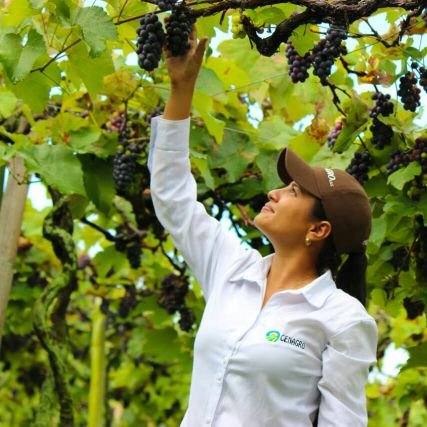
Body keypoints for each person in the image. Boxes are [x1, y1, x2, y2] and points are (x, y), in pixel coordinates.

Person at [148, 29, 378, 427]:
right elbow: (173, 197)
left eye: (292, 191)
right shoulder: (232, 270)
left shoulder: (343, 320)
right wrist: (180, 89)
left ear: (319, 230)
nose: (273, 192)